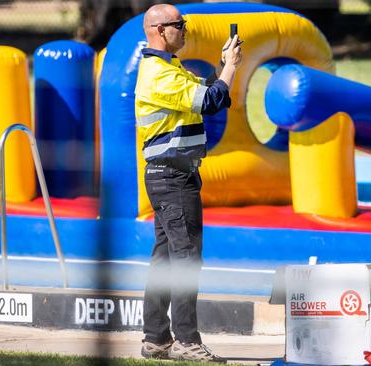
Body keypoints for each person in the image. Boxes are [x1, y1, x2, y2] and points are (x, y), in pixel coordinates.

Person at [134, 3, 242, 363]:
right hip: (173, 177)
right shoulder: (158, 73)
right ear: (160, 30)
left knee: (166, 259)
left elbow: (214, 94)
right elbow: (210, 101)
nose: (186, 30)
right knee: (185, 260)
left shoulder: (169, 68)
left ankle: (156, 339)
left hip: (172, 175)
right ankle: (185, 340)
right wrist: (230, 67)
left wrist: (226, 66)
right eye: (180, 25)